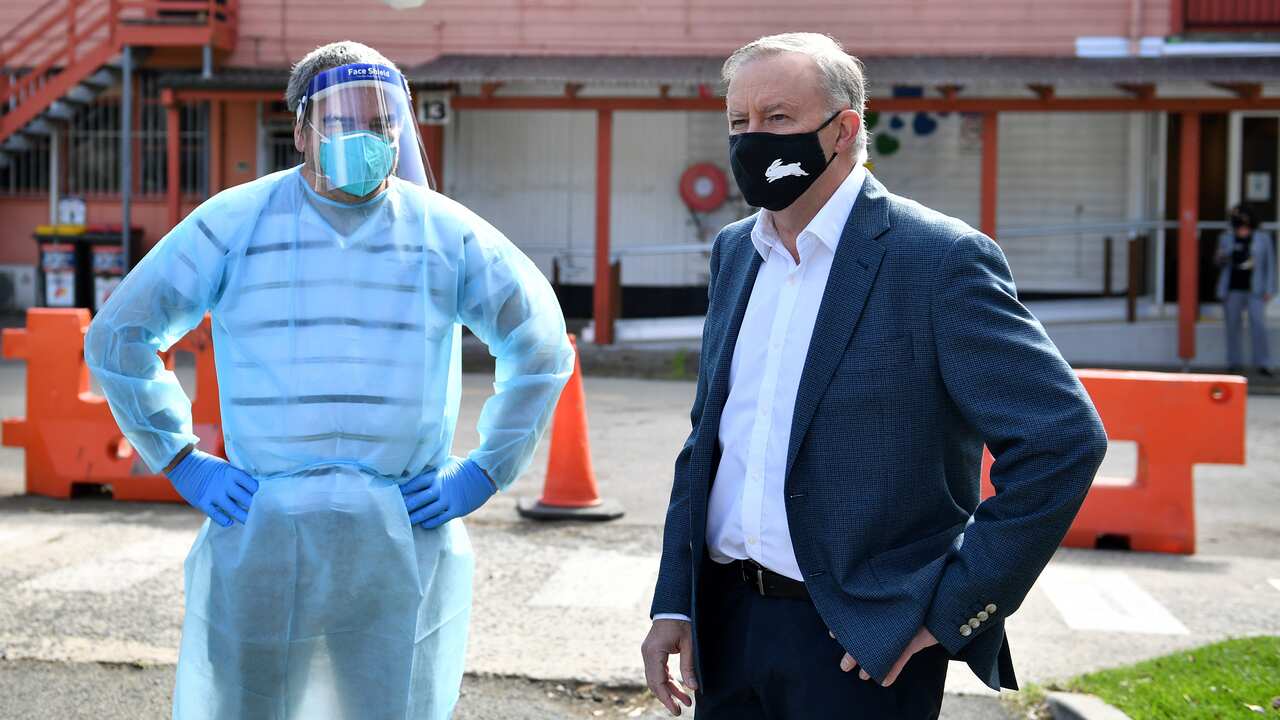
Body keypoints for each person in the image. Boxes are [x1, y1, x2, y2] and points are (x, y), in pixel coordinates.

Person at [85, 41, 573, 720]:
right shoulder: (233, 224)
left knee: (387, 705)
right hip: (264, 528)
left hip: (397, 538)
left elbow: (541, 342)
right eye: (345, 120)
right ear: (301, 129)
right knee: (250, 705)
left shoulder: (445, 234)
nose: (368, 137)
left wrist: (485, 471)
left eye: (382, 121)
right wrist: (180, 459)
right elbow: (119, 335)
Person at [641, 33, 1108, 719]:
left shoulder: (937, 260)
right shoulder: (737, 252)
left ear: (844, 129)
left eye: (777, 119)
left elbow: (1061, 440)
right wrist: (674, 599)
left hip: (860, 644)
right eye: (739, 121)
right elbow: (708, 441)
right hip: (726, 627)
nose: (751, 139)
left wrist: (950, 609)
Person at [1217, 204, 1276, 377]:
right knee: (1232, 326)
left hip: (1255, 289)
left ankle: (1263, 363)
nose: (1242, 229)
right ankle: (1234, 362)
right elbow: (1219, 263)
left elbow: (1270, 264)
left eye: (1245, 225)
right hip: (1233, 288)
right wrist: (1225, 255)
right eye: (1239, 225)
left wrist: (1269, 288)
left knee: (1258, 324)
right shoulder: (1226, 238)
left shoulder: (1263, 238)